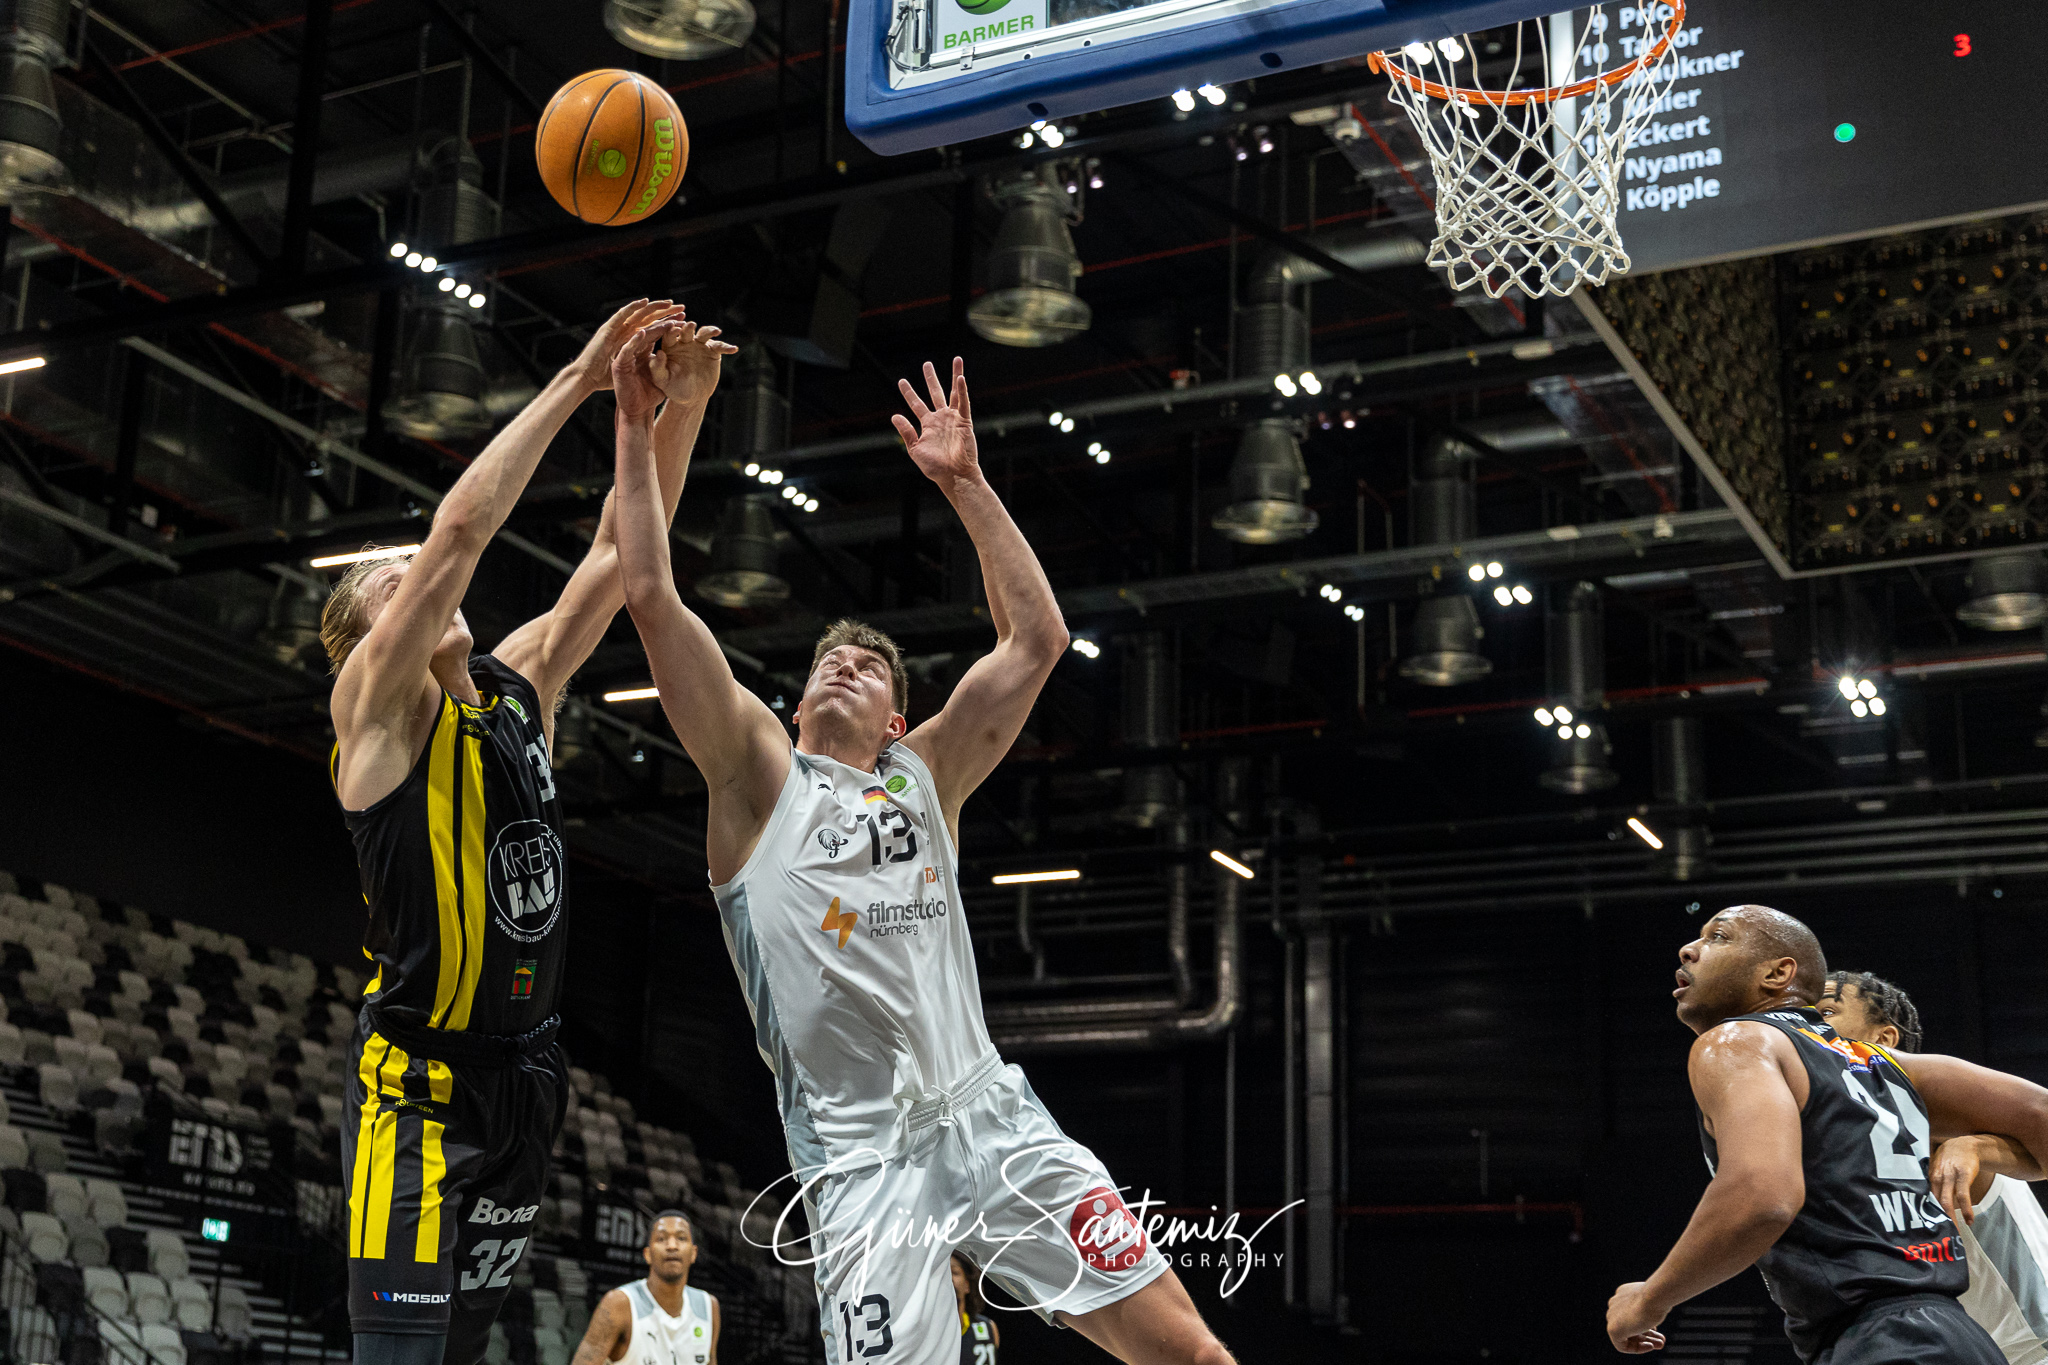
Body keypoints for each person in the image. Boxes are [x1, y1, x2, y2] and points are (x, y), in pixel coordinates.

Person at [611, 350, 1234, 1365]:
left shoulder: (923, 775)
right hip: (862, 1161)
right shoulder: (754, 778)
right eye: (827, 661)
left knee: (1188, 1352)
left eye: (866, 666)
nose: (843, 664)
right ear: (797, 701)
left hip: (991, 1118)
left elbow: (1035, 639)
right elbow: (649, 594)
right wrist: (641, 429)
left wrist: (967, 486)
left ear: (895, 717)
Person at [324, 300, 736, 1365]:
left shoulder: (519, 689)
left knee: (463, 1354)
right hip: (421, 1087)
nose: (420, 575)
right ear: (366, 642)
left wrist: (669, 416)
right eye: (391, 584)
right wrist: (582, 376)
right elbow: (459, 533)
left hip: (529, 1083)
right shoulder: (372, 718)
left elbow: (618, 552)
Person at [1608, 903, 2048, 1362]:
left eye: (1718, 936)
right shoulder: (1898, 1071)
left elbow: (1763, 1196)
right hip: (1962, 1339)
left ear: (1778, 974)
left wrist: (1647, 1300)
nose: (1688, 950)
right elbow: (2041, 1110)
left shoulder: (1735, 1040)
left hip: (1891, 1341)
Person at [1819, 970, 2048, 1365]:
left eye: (1825, 1012)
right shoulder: (1845, 1140)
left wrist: (1976, 1145)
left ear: (1884, 1038)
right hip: (1952, 1350)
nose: (1809, 1026)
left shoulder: (1932, 1114)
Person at [571, 1210, 721, 1365]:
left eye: (681, 1238)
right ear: (647, 1254)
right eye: (661, 1238)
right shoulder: (619, 1304)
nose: (671, 1246)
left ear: (693, 1253)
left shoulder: (708, 1307)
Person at [952, 1253, 1000, 1365]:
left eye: (954, 1272)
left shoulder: (988, 1328)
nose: (949, 1279)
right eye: (942, 1274)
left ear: (967, 1285)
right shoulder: (923, 1331)